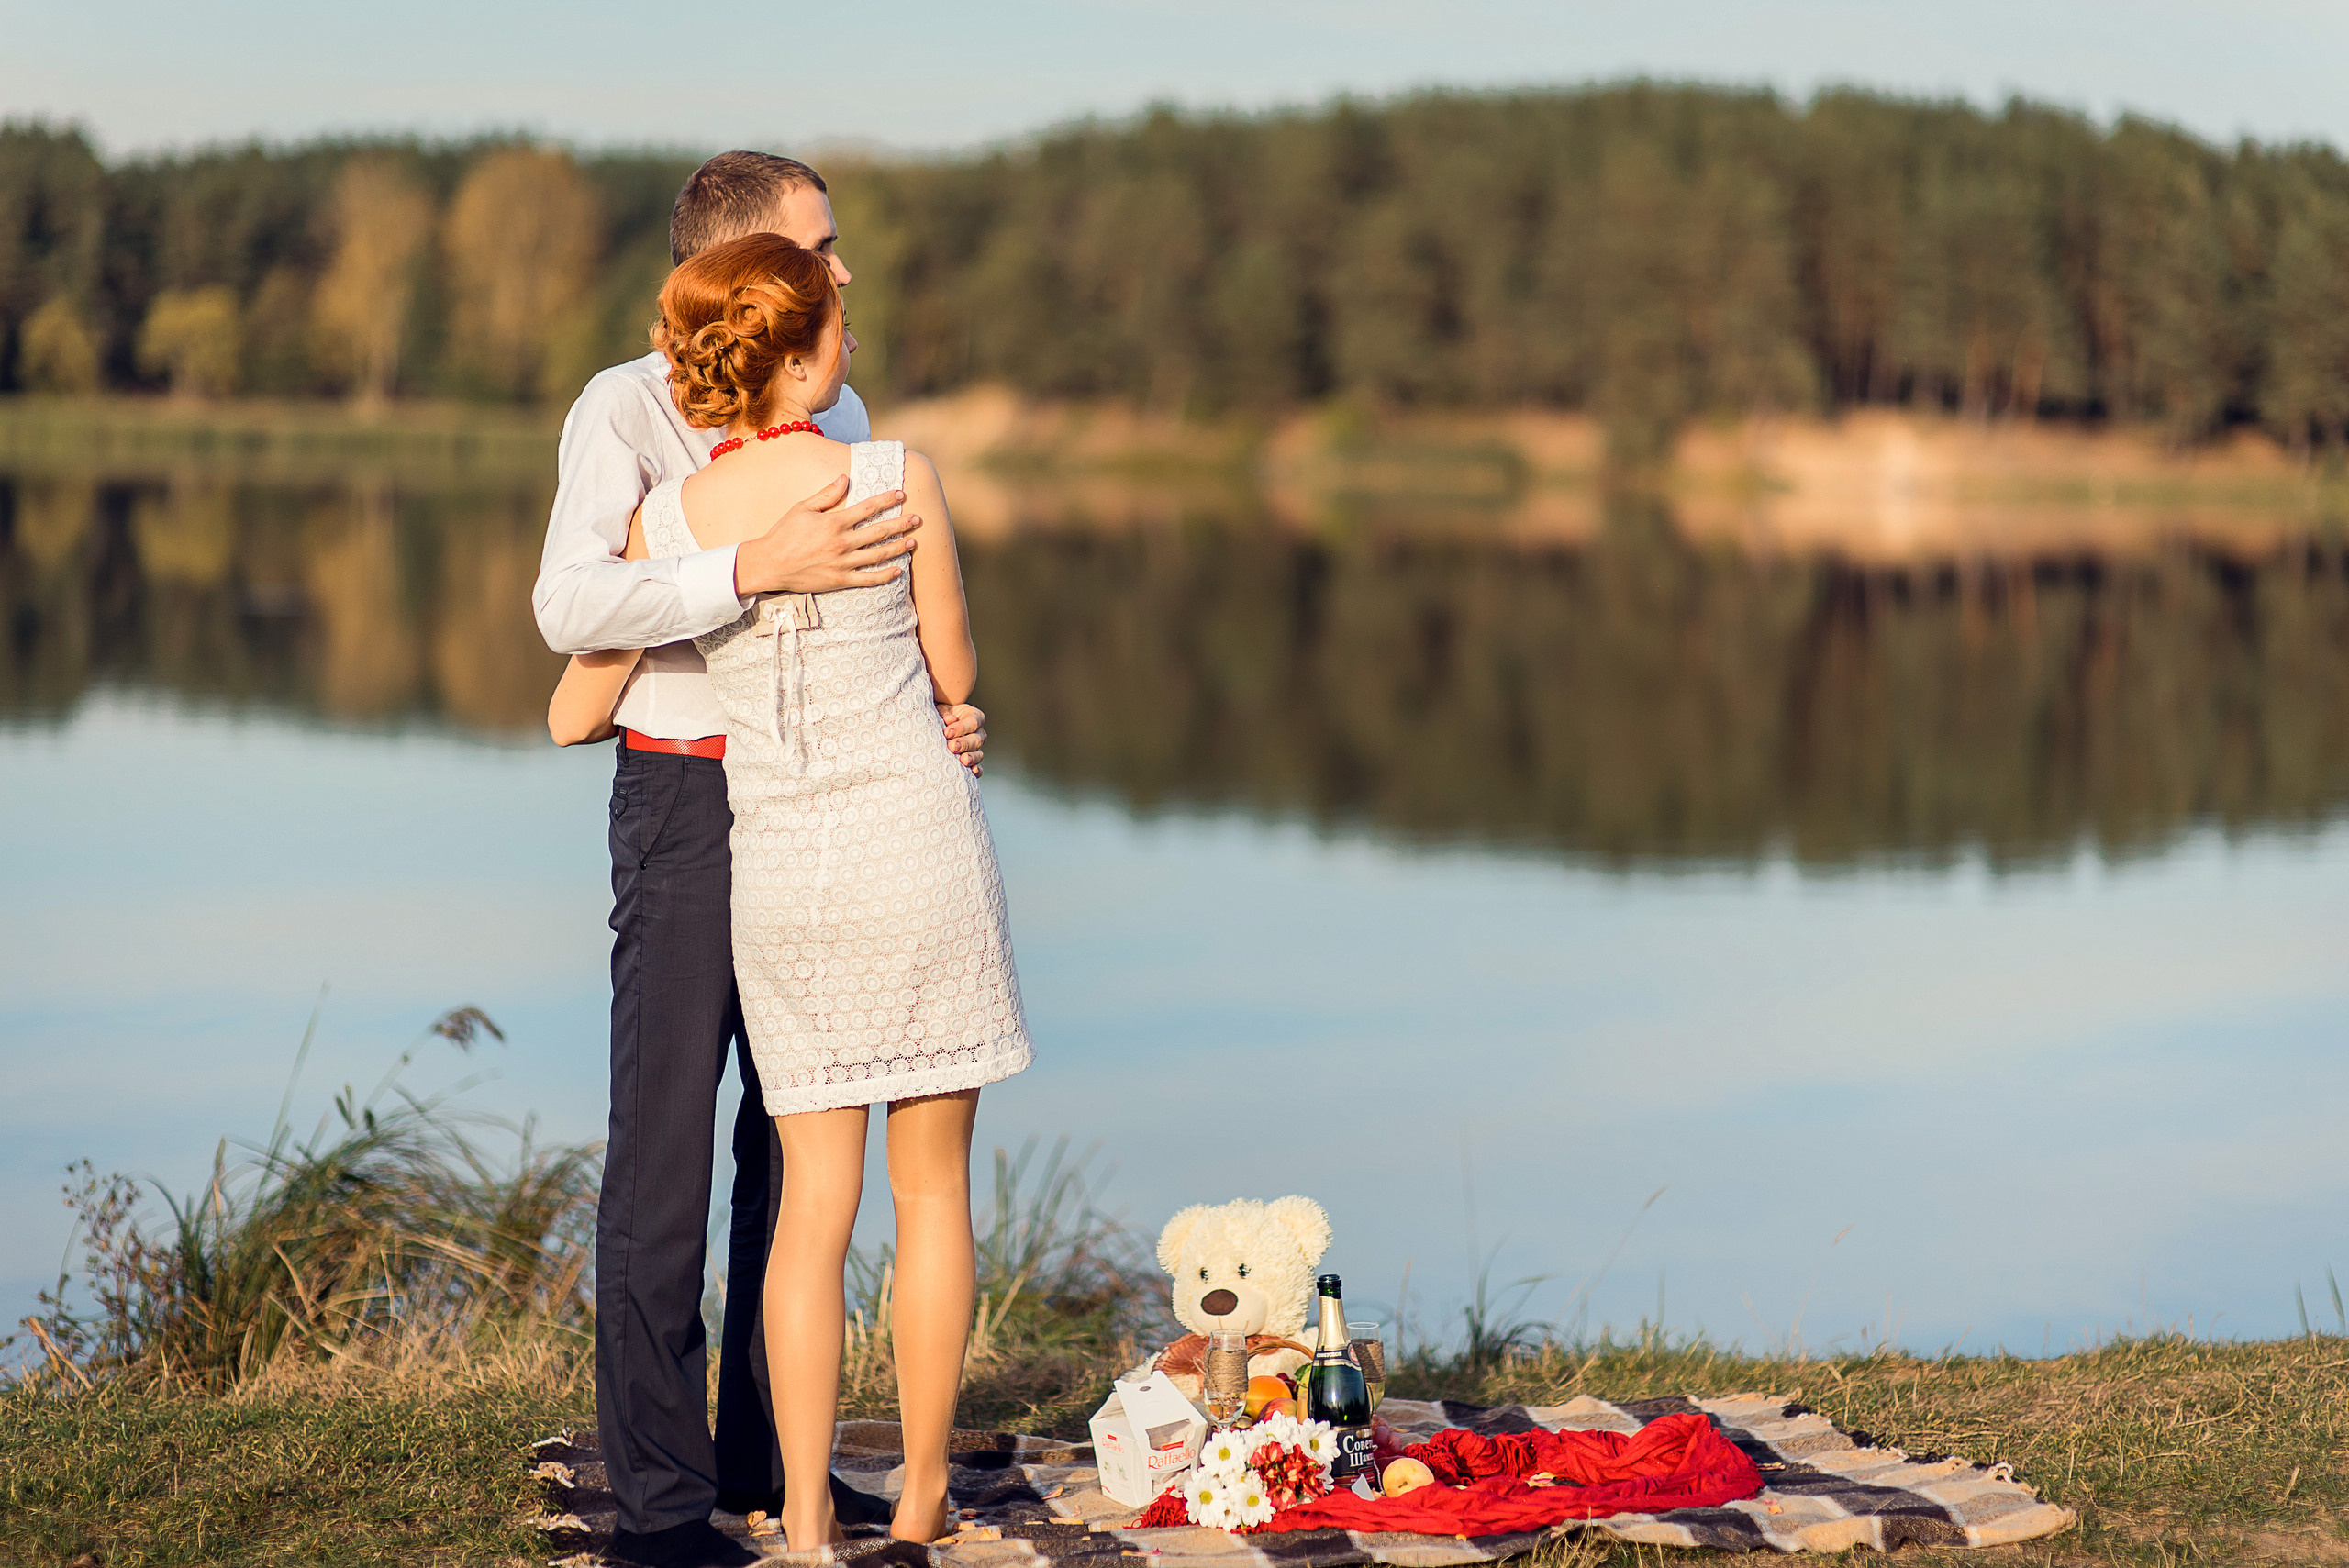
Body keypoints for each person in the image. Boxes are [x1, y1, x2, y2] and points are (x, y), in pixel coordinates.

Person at [532, 151, 984, 1568]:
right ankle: (664, 1508)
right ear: (741, 268)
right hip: (684, 801)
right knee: (665, 1147)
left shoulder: (834, 409)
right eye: (818, 249)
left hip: (824, 816)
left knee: (794, 1160)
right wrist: (749, 569)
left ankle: (767, 1463)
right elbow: (570, 603)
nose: (841, 274)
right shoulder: (620, 409)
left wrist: (938, 706)